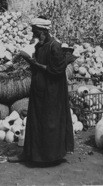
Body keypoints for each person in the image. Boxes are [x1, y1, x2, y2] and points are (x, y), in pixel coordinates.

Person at [8, 17, 74, 165]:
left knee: (49, 121)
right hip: (38, 89)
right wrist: (28, 60)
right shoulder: (39, 46)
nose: (33, 35)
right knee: (35, 121)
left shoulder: (54, 47)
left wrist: (34, 63)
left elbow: (56, 70)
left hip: (52, 92)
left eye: (35, 32)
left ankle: (49, 156)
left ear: (43, 31)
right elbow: (36, 65)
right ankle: (30, 153)